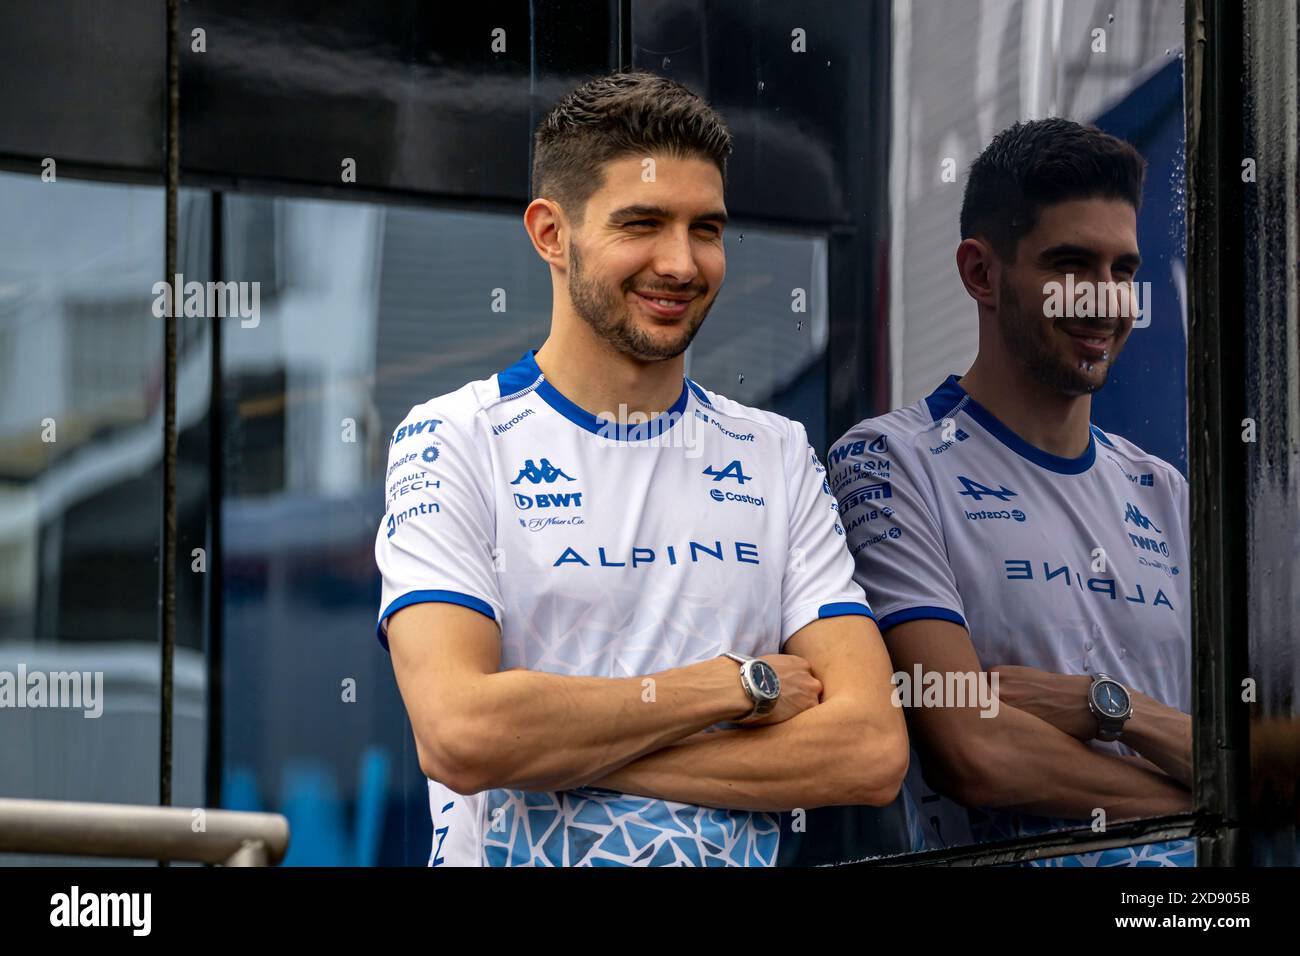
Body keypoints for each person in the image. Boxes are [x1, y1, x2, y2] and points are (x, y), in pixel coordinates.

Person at [374, 71, 907, 867]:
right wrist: (740, 685)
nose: (682, 263)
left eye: (707, 229)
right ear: (552, 234)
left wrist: (563, 758)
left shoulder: (776, 455)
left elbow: (869, 750)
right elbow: (461, 732)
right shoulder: (455, 438)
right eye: (644, 223)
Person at [829, 118, 1193, 866]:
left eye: (1123, 271)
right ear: (981, 273)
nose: (1104, 301)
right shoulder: (889, 462)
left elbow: (1269, 757)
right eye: (1072, 265)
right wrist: (1211, 804)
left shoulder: (1167, 494)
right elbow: (972, 746)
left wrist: (1108, 709)